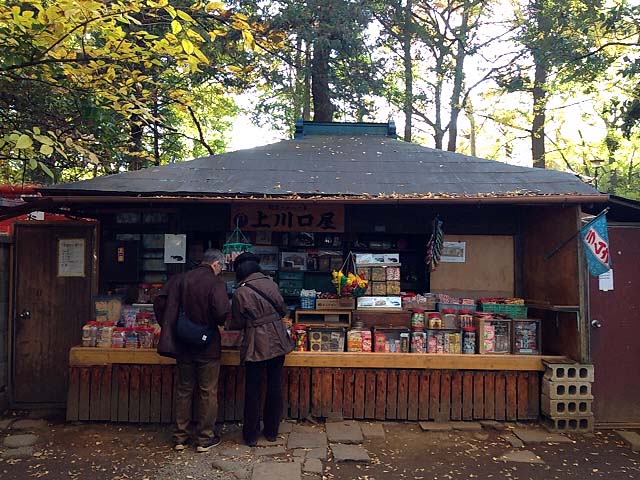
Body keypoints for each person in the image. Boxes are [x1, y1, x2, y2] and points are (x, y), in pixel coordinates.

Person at [156, 248, 229, 452]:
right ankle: (205, 438)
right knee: (208, 391)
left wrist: (169, 326)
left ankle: (180, 437)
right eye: (220, 267)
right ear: (215, 264)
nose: (220, 271)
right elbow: (222, 311)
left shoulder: (180, 279)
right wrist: (213, 322)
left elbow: (160, 301)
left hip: (183, 345)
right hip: (208, 345)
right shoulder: (215, 283)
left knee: (184, 389)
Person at [227, 252, 294, 447]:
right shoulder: (271, 284)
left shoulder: (241, 292)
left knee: (253, 389)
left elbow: (238, 322)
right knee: (275, 386)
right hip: (278, 339)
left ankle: (251, 435)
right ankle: (272, 431)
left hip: (255, 341)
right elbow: (282, 309)